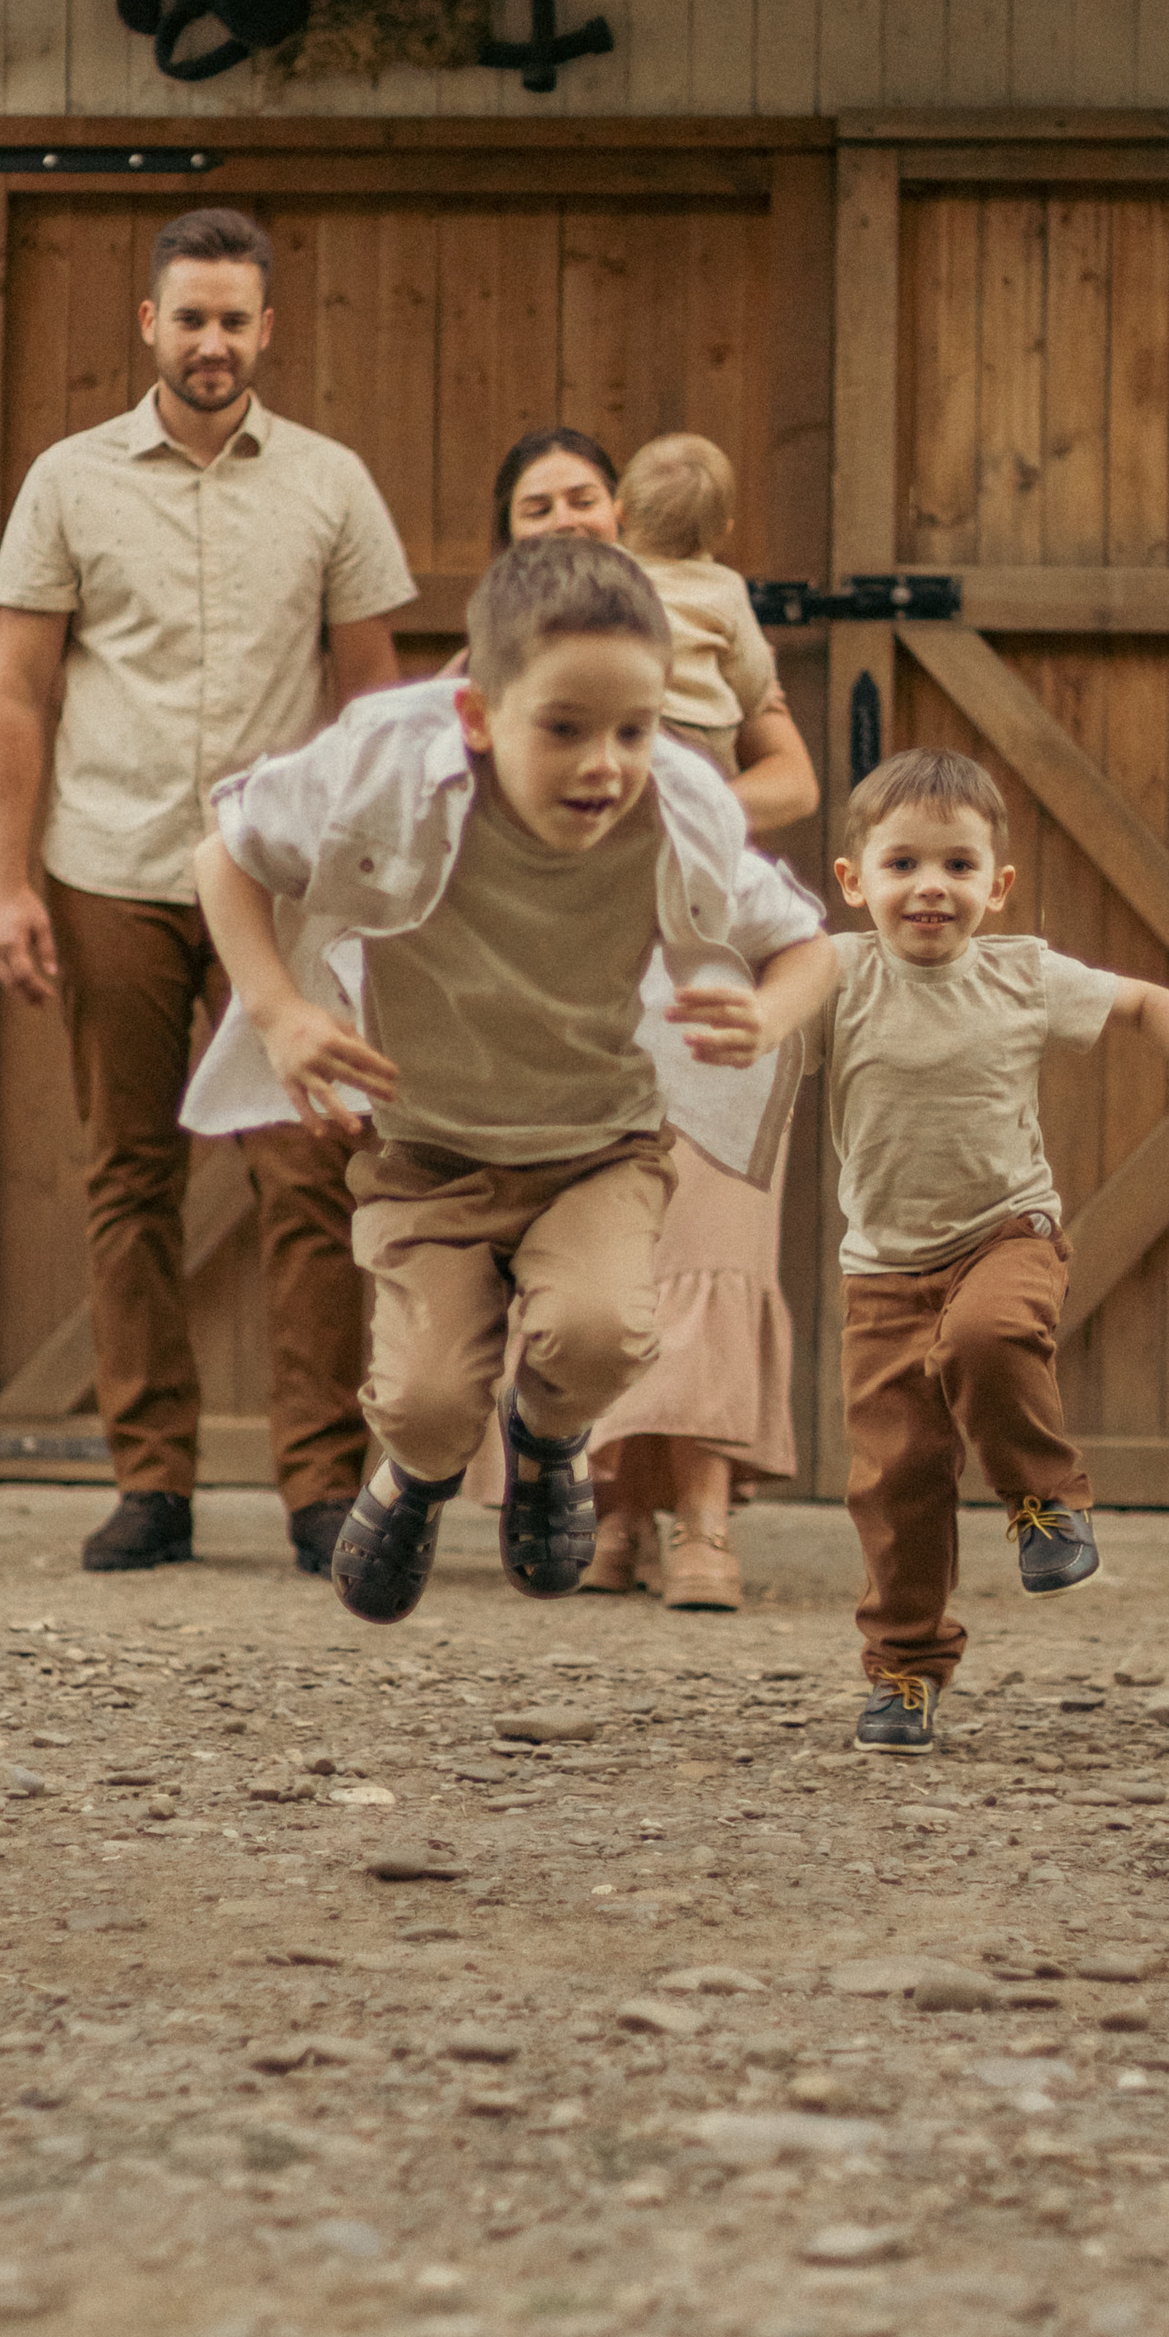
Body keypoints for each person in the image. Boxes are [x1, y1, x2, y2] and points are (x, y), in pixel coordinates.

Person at [186, 532, 835, 1627]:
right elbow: (226, 853)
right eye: (566, 730)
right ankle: (415, 1481)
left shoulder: (677, 806)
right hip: (429, 1151)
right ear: (480, 716)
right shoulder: (388, 764)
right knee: (429, 1403)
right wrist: (280, 1011)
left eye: (633, 730)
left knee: (598, 1334)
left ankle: (548, 1444)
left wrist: (766, 1013)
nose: (605, 766)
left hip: (596, 1147)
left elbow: (808, 941)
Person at [0, 207, 415, 1577]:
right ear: (150, 323)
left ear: (266, 330)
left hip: (283, 884)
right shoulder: (69, 481)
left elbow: (376, 691)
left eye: (236, 318)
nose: (212, 341)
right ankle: (151, 1482)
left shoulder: (333, 484)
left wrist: (377, 873)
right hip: (111, 863)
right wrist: (8, 886)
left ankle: (316, 1488)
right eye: (191, 316)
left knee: (312, 1174)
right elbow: (16, 692)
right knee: (128, 1176)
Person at [830, 745, 1169, 1755]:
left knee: (988, 1336)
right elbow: (750, 1024)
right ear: (854, 882)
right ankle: (905, 1673)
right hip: (881, 1271)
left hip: (1003, 1232)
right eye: (902, 865)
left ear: (996, 886)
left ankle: (1044, 1502)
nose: (930, 886)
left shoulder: (1021, 974)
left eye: (958, 866)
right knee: (896, 1480)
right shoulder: (836, 977)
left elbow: (1146, 1002)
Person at [490, 426, 819, 1614]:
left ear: (622, 512)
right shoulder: (510, 647)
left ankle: (706, 1523)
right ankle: (613, 1510)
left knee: (714, 1231)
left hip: (702, 933)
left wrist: (682, 799)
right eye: (542, 504)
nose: (570, 516)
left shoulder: (679, 617)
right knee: (603, 1246)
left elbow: (794, 777)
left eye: (586, 495)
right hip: (571, 954)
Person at [614, 431, 782, 770]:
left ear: (620, 513)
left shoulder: (608, 569)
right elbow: (751, 673)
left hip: (635, 724)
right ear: (725, 531)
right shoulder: (726, 586)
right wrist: (753, 703)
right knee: (710, 802)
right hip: (708, 732)